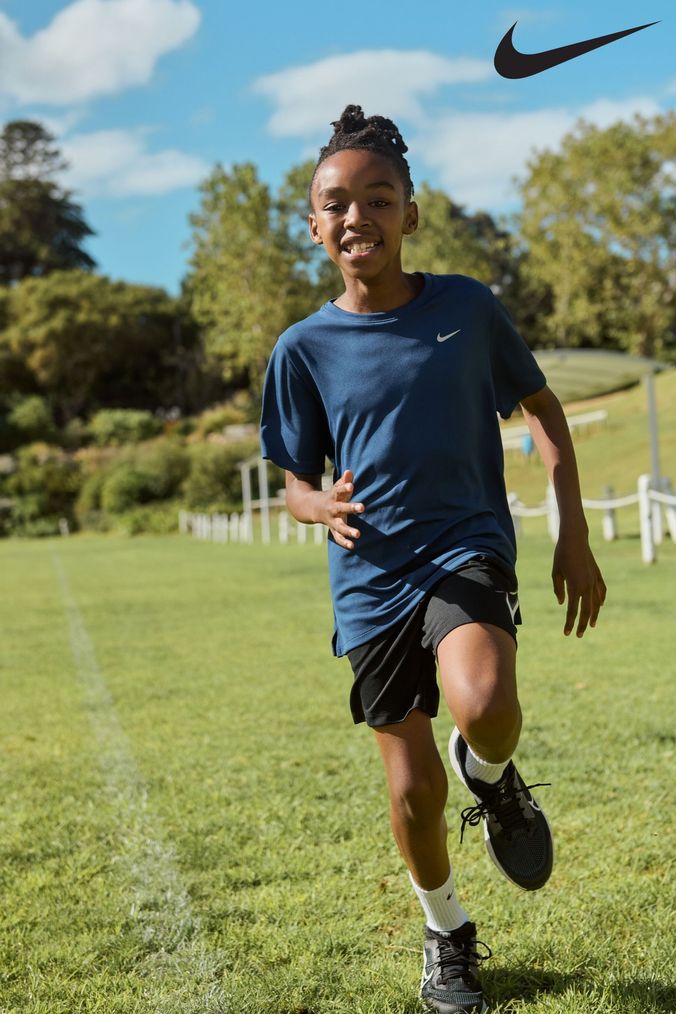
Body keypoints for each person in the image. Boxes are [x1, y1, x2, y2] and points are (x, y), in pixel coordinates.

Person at [259, 104, 606, 1014]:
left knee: (485, 707)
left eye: (379, 199)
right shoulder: (302, 349)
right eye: (337, 202)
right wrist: (315, 503)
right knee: (411, 796)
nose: (356, 217)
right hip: (370, 579)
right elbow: (293, 481)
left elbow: (542, 411)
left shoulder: (465, 308)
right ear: (313, 223)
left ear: (410, 214)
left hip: (466, 547)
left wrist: (573, 532)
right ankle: (446, 930)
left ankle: (490, 775)